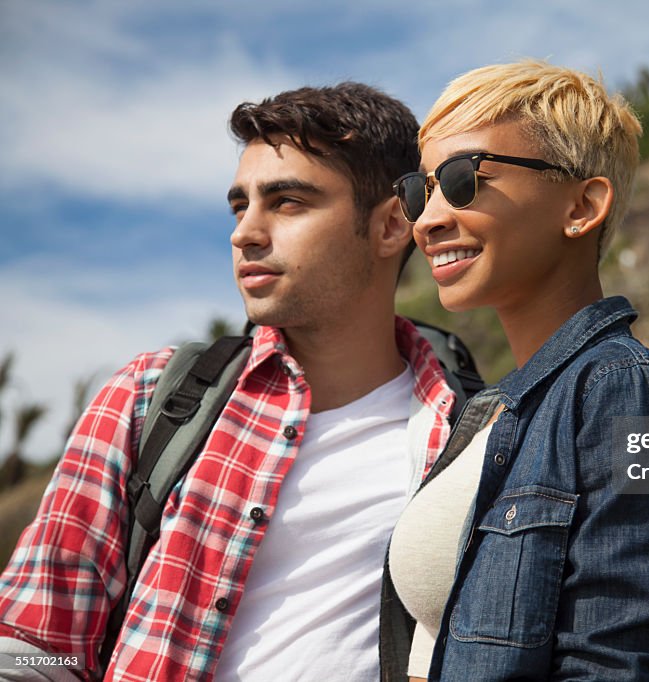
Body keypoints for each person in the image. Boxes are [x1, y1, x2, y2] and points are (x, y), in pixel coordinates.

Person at [0, 83, 459, 681]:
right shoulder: (151, 396)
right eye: (240, 205)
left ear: (393, 225)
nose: (245, 232)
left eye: (288, 202)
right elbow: (32, 646)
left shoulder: (469, 431)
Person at [383, 60, 649, 681]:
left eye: (463, 180)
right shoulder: (494, 411)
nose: (426, 220)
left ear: (582, 206)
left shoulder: (630, 392)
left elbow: (614, 665)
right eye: (419, 191)